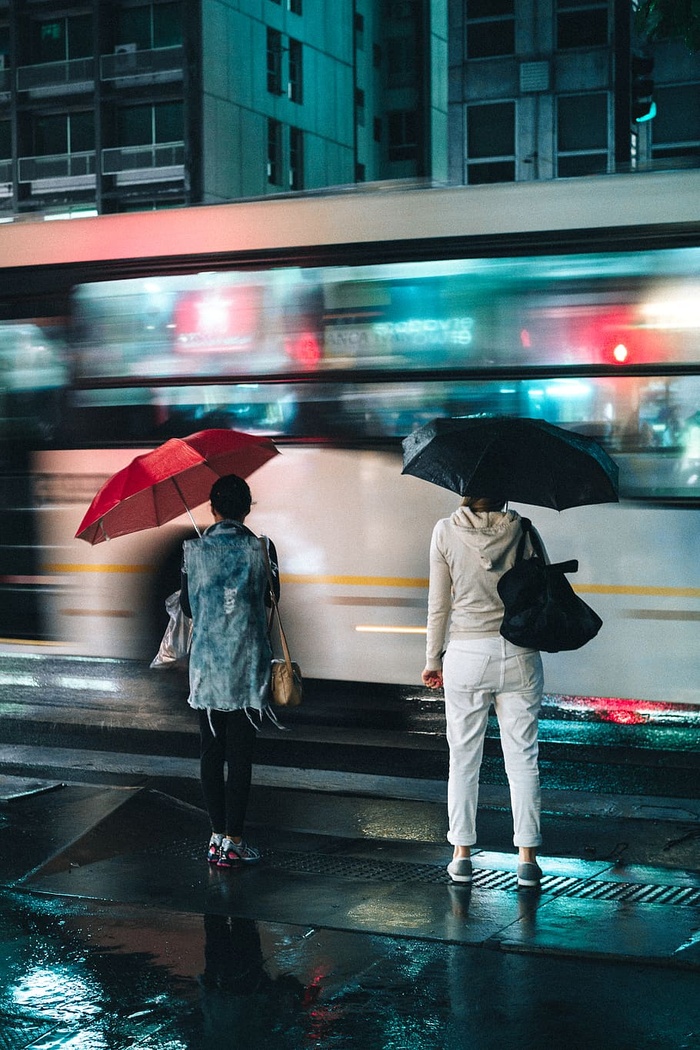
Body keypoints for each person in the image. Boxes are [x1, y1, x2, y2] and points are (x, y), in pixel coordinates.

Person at [421, 494, 545, 889]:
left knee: (463, 759)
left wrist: (432, 659)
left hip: (467, 654)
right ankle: (527, 859)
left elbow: (438, 605)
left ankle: (461, 856)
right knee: (523, 758)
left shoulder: (444, 532)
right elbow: (539, 588)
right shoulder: (523, 529)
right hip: (519, 652)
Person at [180, 473, 279, 868]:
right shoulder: (263, 548)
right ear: (247, 508)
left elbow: (188, 609)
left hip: (206, 668)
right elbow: (274, 598)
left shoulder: (193, 551)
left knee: (210, 752)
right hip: (247, 667)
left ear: (212, 508)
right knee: (240, 756)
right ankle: (234, 841)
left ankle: (215, 837)